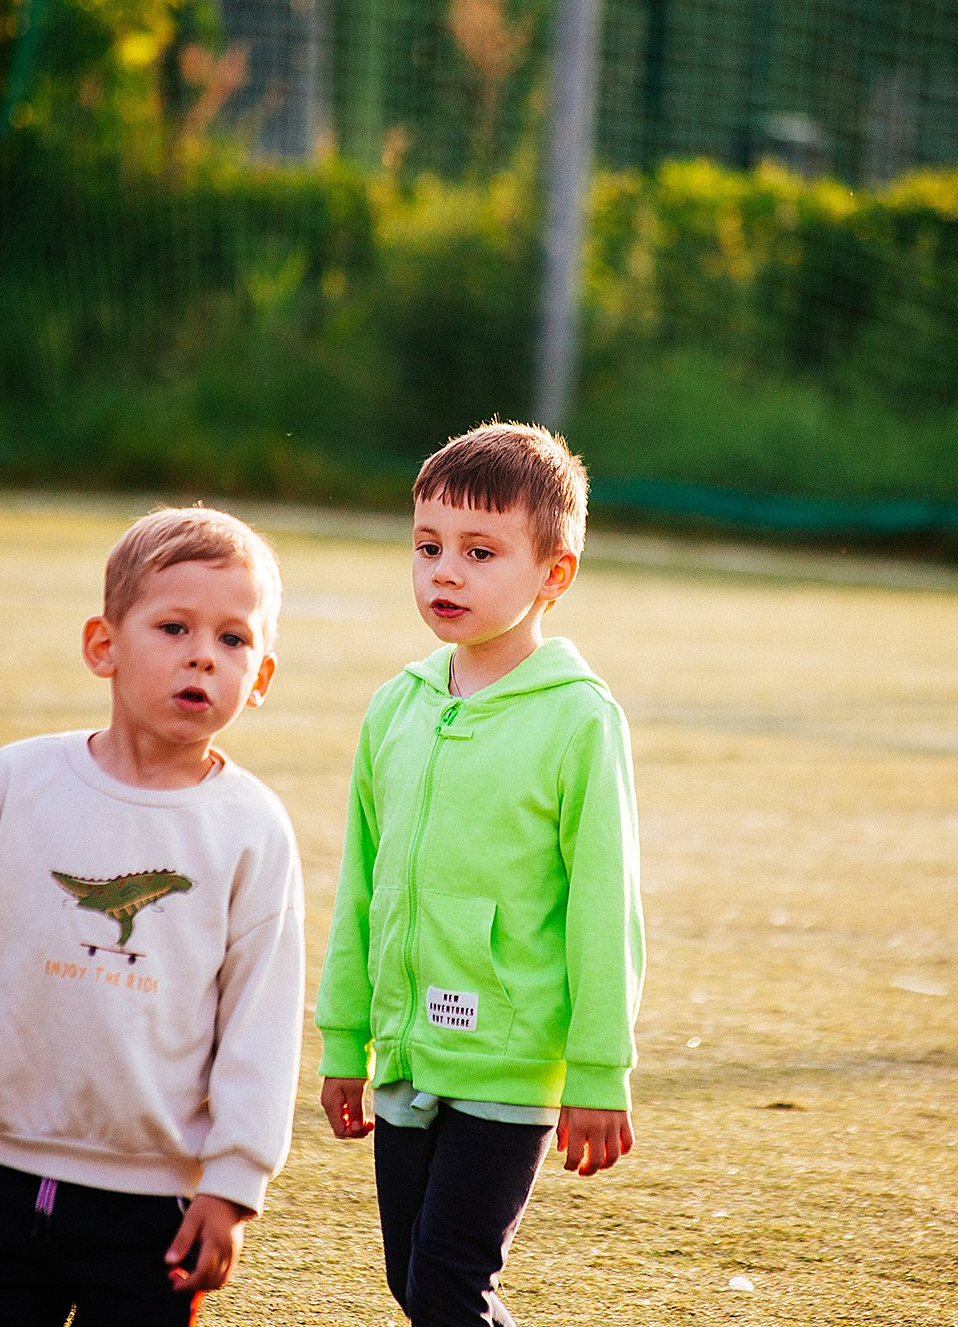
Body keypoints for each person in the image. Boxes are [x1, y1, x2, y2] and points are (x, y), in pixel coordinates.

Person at [0, 506, 306, 1327]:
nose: (203, 653)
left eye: (234, 640)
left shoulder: (252, 828)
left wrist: (235, 1179)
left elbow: (262, 1021)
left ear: (260, 677)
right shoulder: (16, 782)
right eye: (174, 626)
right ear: (104, 644)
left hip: (158, 1207)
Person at [315, 420, 645, 1326]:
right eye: (427, 547)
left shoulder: (580, 719)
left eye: (479, 550)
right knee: (411, 1284)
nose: (444, 572)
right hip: (406, 1055)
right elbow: (362, 885)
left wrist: (597, 1070)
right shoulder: (397, 706)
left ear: (555, 573)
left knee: (447, 1284)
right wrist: (347, 1041)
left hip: (507, 1065)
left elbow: (604, 905)